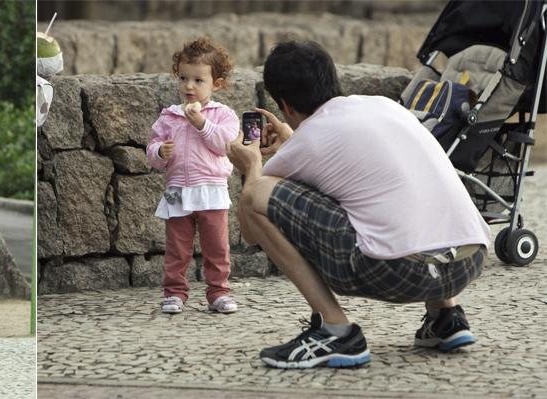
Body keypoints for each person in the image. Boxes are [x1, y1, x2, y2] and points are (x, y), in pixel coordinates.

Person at [225, 40, 490, 369]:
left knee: (254, 196)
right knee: (396, 187)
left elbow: (252, 229)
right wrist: (294, 139)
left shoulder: (310, 140)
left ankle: (336, 331)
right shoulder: (384, 106)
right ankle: (445, 316)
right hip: (470, 259)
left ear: (285, 105)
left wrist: (251, 166)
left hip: (402, 272)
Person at [146, 37, 240, 314]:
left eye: (198, 80)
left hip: (211, 190)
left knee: (217, 248)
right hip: (177, 189)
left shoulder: (223, 115)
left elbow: (225, 145)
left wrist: (201, 123)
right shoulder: (169, 116)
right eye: (184, 78)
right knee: (177, 248)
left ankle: (219, 292)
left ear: (216, 84)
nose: (189, 86)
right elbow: (151, 149)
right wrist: (159, 152)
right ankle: (174, 292)